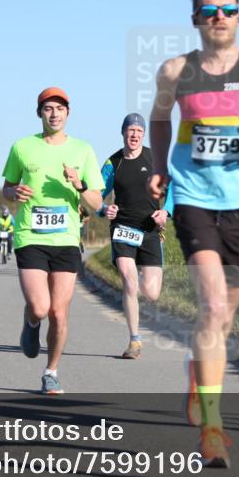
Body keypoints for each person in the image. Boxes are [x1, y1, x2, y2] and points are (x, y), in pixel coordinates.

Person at [148, 0, 239, 467]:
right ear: (196, 19)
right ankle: (214, 431)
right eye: (209, 10)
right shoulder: (176, 70)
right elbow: (159, 119)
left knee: (223, 315)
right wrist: (159, 166)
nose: (219, 16)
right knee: (214, 303)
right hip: (195, 198)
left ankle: (199, 377)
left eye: (228, 9)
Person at [1, 87, 104, 395]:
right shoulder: (22, 147)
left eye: (60, 108)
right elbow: (7, 187)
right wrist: (13, 192)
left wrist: (80, 184)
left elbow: (96, 203)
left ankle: (51, 371)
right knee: (40, 306)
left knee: (59, 312)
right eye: (48, 109)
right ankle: (31, 323)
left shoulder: (83, 151)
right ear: (40, 114)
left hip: (67, 238)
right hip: (30, 235)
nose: (54, 113)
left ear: (68, 114)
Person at [98, 113, 170, 359]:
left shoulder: (155, 159)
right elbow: (97, 194)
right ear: (123, 133)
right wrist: (103, 209)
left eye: (139, 131)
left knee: (151, 293)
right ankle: (135, 340)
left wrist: (166, 210)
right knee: (129, 281)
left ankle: (139, 277)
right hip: (123, 229)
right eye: (131, 130)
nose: (135, 135)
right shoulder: (113, 163)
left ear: (144, 135)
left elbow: (174, 189)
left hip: (150, 229)